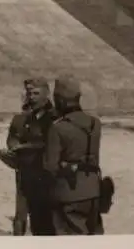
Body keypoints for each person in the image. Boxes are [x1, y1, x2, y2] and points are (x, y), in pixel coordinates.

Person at [44, 74, 104, 235]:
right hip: (93, 191)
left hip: (68, 194)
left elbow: (50, 166)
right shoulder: (95, 124)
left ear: (60, 100)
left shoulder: (58, 128)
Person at [5, 78, 56, 236]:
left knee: (44, 218)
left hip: (45, 175)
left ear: (47, 94)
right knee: (21, 216)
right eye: (29, 93)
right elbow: (12, 136)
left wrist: (27, 147)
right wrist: (13, 146)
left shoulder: (53, 117)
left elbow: (52, 144)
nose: (31, 97)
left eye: (36, 93)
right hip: (24, 172)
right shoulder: (23, 117)